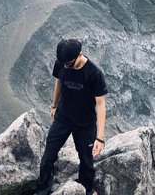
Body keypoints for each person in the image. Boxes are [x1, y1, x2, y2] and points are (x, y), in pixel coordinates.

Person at [36, 39, 108, 195]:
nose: (67, 67)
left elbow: (101, 105)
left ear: (79, 54)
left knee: (87, 162)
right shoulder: (62, 62)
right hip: (63, 118)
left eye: (70, 64)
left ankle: (87, 190)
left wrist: (100, 138)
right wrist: (54, 105)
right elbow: (59, 82)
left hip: (85, 124)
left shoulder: (93, 73)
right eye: (64, 64)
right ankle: (43, 189)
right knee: (48, 156)